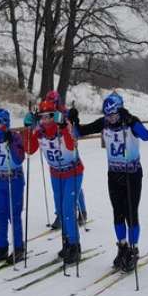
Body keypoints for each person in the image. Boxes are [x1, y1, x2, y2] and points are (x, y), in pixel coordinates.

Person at [69, 92, 148, 273]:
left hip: (132, 174)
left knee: (131, 213)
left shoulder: (130, 120)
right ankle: (122, 247)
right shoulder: (104, 122)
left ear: (121, 110)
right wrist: (74, 120)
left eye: (114, 115)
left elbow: (146, 136)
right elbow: (78, 132)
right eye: (108, 115)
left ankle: (133, 249)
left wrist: (132, 122)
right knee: (117, 213)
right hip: (113, 174)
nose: (111, 119)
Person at [26, 98, 84, 263]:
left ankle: (74, 245)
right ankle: (66, 241)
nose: (45, 120)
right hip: (55, 173)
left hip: (72, 171)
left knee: (68, 208)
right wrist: (29, 129)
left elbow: (71, 145)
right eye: (42, 116)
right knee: (60, 208)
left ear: (56, 115)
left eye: (49, 116)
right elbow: (29, 150)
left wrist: (65, 127)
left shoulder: (64, 126)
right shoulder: (39, 131)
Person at [42, 90, 88, 228]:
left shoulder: (64, 113)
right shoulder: (47, 114)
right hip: (55, 151)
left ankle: (82, 211)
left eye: (53, 101)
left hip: (69, 150)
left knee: (74, 184)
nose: (52, 104)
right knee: (58, 189)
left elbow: (73, 130)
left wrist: (72, 121)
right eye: (49, 101)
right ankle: (60, 214)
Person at [0, 108, 26, 264]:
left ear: (4, 123)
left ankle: (18, 248)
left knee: (13, 214)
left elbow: (18, 159)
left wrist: (10, 143)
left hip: (14, 179)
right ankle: (1, 247)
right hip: (0, 179)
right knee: (0, 213)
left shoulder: (14, 137)